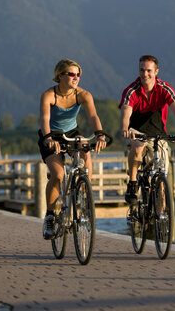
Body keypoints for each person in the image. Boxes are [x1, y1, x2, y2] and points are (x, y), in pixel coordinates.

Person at [39, 58, 107, 240]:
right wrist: (49, 139)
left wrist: (100, 135)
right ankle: (51, 216)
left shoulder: (83, 95)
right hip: (51, 134)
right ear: (59, 76)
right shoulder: (49, 95)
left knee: (85, 148)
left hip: (71, 132)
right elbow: (45, 120)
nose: (76, 78)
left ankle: (85, 193)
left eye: (78, 75)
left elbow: (93, 116)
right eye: (71, 74)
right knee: (58, 175)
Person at [119, 55, 175, 204]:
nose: (145, 74)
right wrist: (124, 129)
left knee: (161, 176)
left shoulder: (164, 89)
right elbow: (126, 112)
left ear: (156, 71)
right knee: (138, 148)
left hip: (158, 133)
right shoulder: (131, 90)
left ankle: (161, 217)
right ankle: (133, 184)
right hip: (136, 131)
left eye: (148, 71)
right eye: (142, 70)